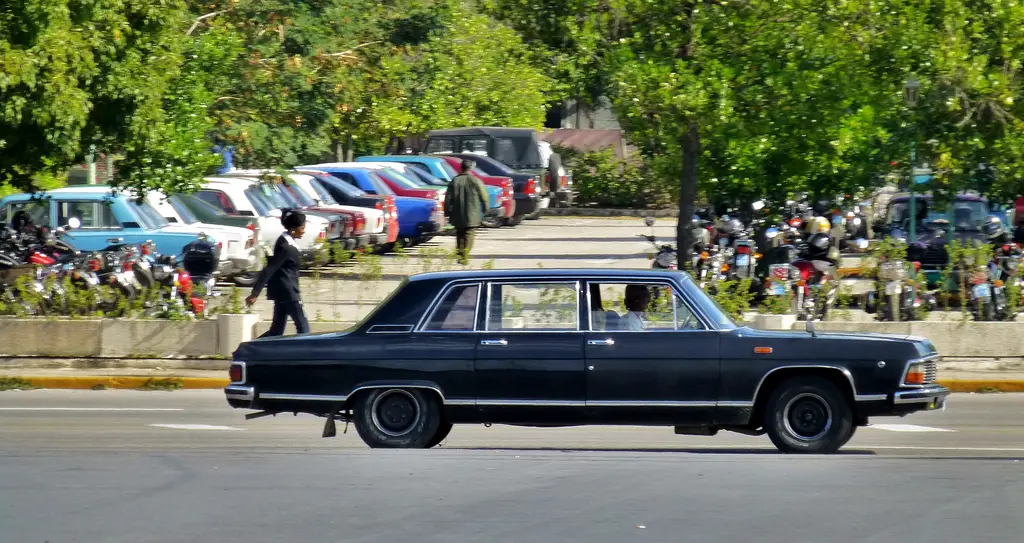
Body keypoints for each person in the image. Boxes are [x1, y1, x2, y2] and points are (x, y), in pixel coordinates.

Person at [245, 208, 310, 337]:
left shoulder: (286, 242)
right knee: (304, 329)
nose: (304, 230)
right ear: (293, 229)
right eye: (302, 228)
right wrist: (255, 293)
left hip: (283, 293)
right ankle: (303, 354)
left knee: (276, 331)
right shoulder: (286, 247)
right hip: (289, 293)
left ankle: (252, 349)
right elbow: (270, 269)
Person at [444, 158, 490, 265]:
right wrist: (486, 209)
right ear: (471, 168)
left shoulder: (455, 180)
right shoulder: (475, 180)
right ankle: (464, 256)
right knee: (469, 235)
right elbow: (484, 196)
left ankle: (460, 255)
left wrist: (447, 212)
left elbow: (448, 199)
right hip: (472, 214)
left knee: (459, 234)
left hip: (457, 213)